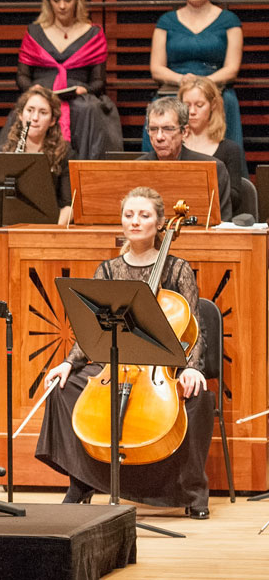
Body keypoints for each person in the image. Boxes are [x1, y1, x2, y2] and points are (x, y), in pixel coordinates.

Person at [36, 186, 211, 518]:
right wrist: (68, 363)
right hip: (115, 366)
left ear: (161, 223)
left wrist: (192, 367)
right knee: (63, 389)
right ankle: (82, 482)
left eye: (144, 215)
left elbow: (195, 327)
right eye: (129, 215)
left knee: (198, 398)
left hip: (162, 369)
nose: (135, 221)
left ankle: (191, 492)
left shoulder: (177, 270)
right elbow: (92, 329)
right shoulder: (108, 269)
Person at [14, 0, 120, 160]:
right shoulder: (34, 31)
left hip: (77, 97)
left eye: (67, 0)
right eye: (56, 0)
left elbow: (99, 81)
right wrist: (33, 90)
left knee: (89, 109)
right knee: (32, 110)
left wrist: (83, 89)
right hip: (42, 96)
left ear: (78, 0)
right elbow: (22, 76)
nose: (62, 6)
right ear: (48, 2)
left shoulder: (93, 33)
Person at [147, 0, 243, 148]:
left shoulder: (230, 21)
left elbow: (232, 69)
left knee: (226, 103)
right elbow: (156, 69)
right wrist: (183, 81)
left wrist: (201, 85)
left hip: (216, 92)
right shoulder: (165, 21)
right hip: (175, 91)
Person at [139, 97, 232, 222]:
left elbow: (222, 224)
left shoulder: (214, 169)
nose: (159, 137)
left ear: (185, 132)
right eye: (153, 129)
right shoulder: (136, 168)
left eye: (168, 129)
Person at [0, 86, 74, 225]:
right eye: (30, 110)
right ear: (20, 115)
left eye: (43, 112)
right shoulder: (5, 150)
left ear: (52, 120)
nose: (34, 118)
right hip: (12, 226)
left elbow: (69, 205)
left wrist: (48, 233)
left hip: (48, 227)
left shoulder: (64, 152)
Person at [180, 74, 248, 214]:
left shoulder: (230, 149)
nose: (192, 112)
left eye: (199, 105)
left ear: (213, 105)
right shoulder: (173, 147)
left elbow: (234, 199)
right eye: (186, 105)